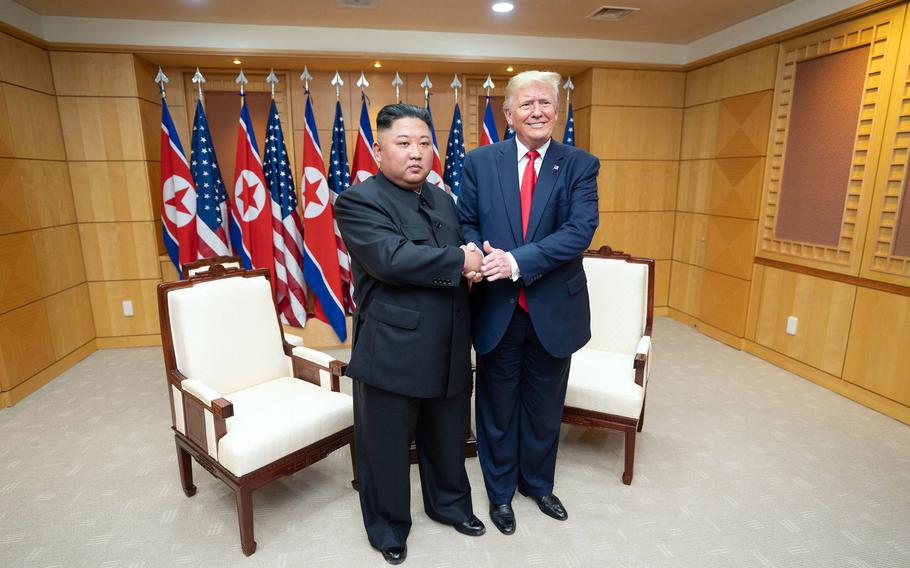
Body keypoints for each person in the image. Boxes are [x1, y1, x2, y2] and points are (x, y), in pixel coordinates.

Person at [334, 103, 486, 565]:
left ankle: (449, 505)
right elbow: (390, 258)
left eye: (424, 143)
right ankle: (388, 526)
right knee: (386, 445)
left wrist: (474, 261)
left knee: (446, 434)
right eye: (403, 143)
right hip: (394, 346)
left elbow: (463, 250)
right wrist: (462, 261)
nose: (416, 153)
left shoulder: (443, 198)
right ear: (378, 150)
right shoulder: (357, 200)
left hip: (451, 341)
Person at [457, 70, 600, 535]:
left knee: (544, 404)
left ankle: (538, 484)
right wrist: (476, 252)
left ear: (556, 110)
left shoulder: (580, 164)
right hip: (498, 307)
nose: (537, 111)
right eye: (526, 104)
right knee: (496, 406)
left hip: (554, 308)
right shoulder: (480, 161)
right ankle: (500, 495)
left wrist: (514, 261)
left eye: (545, 103)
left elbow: (578, 233)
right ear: (509, 113)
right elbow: (466, 222)